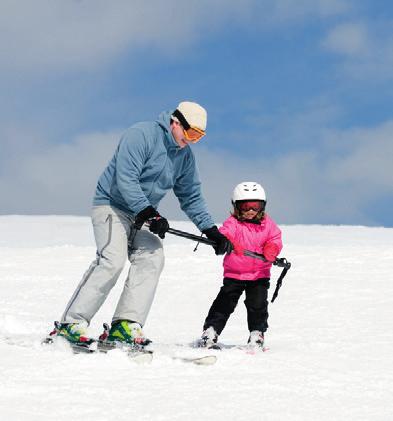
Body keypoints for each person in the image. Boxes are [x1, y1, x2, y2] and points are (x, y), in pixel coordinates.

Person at [49, 101, 233, 349]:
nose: (191, 140)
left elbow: (190, 196)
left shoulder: (184, 157)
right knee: (112, 260)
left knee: (153, 257)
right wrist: (150, 213)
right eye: (190, 133)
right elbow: (126, 178)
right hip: (112, 206)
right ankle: (72, 323)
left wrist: (210, 229)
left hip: (142, 216)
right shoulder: (142, 135)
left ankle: (125, 324)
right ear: (176, 122)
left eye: (198, 137)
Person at [199, 181, 282, 349]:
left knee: (257, 305)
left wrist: (271, 248)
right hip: (234, 274)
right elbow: (224, 233)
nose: (250, 211)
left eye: (255, 206)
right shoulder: (233, 223)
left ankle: (257, 334)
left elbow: (275, 238)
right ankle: (211, 331)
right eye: (245, 206)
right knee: (224, 303)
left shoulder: (268, 225)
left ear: (262, 206)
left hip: (259, 274)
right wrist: (227, 242)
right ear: (236, 206)